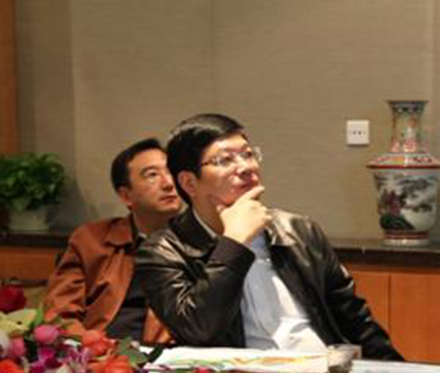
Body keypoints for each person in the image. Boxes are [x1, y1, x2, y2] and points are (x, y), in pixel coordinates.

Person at [135, 113, 401, 360]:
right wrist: (233, 244)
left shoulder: (297, 230)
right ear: (189, 183)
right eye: (225, 160)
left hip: (322, 372)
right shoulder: (162, 251)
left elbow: (355, 320)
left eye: (248, 154)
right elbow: (199, 330)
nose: (245, 167)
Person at [44, 138, 182, 343]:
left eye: (171, 172)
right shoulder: (91, 240)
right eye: (152, 175)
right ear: (126, 196)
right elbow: (60, 315)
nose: (169, 183)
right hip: (100, 350)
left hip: (170, 356)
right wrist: (92, 347)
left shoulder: (200, 242)